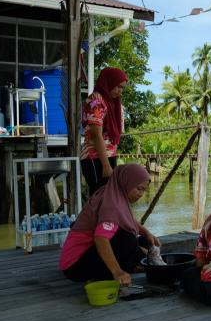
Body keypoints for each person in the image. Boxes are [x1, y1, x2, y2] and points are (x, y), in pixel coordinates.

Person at [59, 164, 160, 286]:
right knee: (127, 240)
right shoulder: (112, 204)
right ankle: (118, 270)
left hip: (86, 255)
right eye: (139, 188)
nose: (141, 194)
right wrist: (117, 272)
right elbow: (101, 238)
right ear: (126, 182)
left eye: (144, 190)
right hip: (75, 265)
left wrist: (146, 233)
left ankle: (134, 262)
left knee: (143, 241)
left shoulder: (112, 193)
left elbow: (127, 220)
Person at [81, 66, 128, 196]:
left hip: (108, 156)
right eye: (118, 86)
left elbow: (113, 136)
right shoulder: (96, 101)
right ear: (109, 82)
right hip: (95, 158)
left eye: (123, 87)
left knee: (109, 199)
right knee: (99, 198)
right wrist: (106, 166)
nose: (120, 91)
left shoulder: (112, 103)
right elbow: (96, 135)